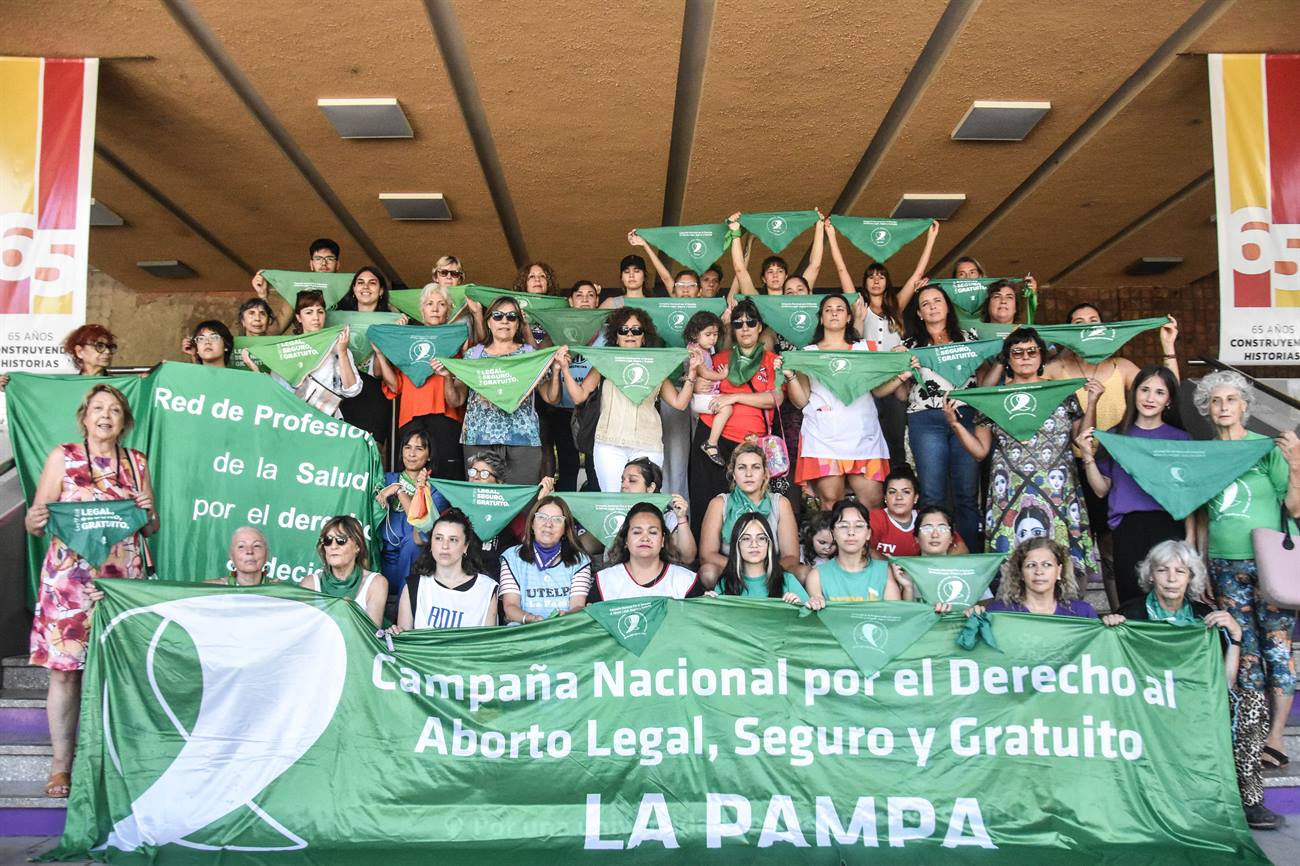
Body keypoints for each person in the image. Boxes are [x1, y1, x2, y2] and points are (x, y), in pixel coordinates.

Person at [25, 384, 157, 798]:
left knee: (119, 671)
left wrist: (148, 510)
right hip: (69, 583)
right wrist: (35, 516)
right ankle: (62, 767)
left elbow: (151, 527)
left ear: (125, 421)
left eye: (115, 410)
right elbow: (36, 521)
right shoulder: (62, 457)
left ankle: (114, 761)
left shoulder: (136, 462)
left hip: (121, 583)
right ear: (84, 416)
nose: (106, 415)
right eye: (98, 408)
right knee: (65, 674)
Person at [1100, 541, 1271, 829]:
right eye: (1163, 570)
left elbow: (1225, 683)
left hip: (1195, 704)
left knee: (1251, 702)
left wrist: (1236, 637)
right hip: (1144, 705)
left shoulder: (1204, 616)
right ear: (1151, 575)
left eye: (1180, 571)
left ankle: (1249, 799)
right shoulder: (1131, 614)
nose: (1171, 578)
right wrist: (1110, 629)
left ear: (1191, 577)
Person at [1195, 370, 1300, 771]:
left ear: (1245, 407)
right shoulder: (1206, 454)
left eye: (1231, 400)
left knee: (1276, 649)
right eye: (1216, 401)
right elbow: (1203, 514)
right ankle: (1252, 736)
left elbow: (1293, 507)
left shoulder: (1264, 448)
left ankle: (1276, 737)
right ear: (1207, 409)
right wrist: (1201, 561)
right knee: (1246, 652)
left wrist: (1295, 464)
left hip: (1269, 561)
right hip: (1223, 564)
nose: (1223, 407)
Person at [947, 327, 1103, 584]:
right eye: (1017, 352)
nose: (1025, 357)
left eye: (1032, 351)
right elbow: (980, 452)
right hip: (1009, 491)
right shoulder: (994, 398)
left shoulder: (1061, 392)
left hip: (1057, 488)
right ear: (1007, 359)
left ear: (1042, 357)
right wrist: (955, 424)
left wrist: (1093, 402)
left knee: (1062, 566)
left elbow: (1083, 441)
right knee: (1013, 569)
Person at [1075, 365, 1192, 605]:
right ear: (1134, 393)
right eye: (1144, 390)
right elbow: (1100, 489)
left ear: (1169, 400)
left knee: (1170, 601)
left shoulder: (1181, 440)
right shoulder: (1116, 436)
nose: (1150, 398)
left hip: (1168, 526)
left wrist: (1191, 537)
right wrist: (1087, 455)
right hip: (1127, 527)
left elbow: (1189, 495)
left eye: (1159, 392)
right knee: (1131, 600)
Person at [829, 218, 938, 472]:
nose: (876, 281)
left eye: (881, 277)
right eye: (871, 277)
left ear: (887, 281)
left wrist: (930, 238)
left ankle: (898, 485)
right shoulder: (858, 305)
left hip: (893, 382)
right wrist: (832, 235)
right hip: (866, 382)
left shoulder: (896, 307)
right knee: (867, 440)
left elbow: (915, 277)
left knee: (896, 441)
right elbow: (842, 270)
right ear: (864, 282)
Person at [558, 308, 698, 492]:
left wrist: (693, 371)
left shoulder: (655, 365)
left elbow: (679, 403)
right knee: (613, 502)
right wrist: (565, 370)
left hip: (648, 443)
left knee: (646, 504)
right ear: (615, 337)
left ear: (644, 337)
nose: (629, 334)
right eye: (623, 330)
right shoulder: (604, 363)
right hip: (609, 444)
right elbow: (579, 396)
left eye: (636, 330)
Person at [783, 294, 896, 510]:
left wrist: (902, 376)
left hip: (864, 437)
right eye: (828, 309)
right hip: (823, 437)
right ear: (821, 318)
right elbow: (800, 401)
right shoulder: (807, 354)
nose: (834, 312)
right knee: (830, 503)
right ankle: (832, 545)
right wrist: (790, 376)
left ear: (849, 317)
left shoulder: (866, 349)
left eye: (840, 308)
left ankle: (869, 545)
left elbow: (879, 390)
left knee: (872, 503)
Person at [688, 299, 784, 531]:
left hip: (750, 444)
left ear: (760, 327)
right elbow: (697, 395)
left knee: (751, 508)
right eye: (738, 324)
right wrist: (697, 386)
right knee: (706, 503)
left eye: (751, 322)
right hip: (712, 441)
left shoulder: (773, 361)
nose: (745, 328)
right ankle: (706, 560)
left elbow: (776, 398)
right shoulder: (719, 359)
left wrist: (734, 397)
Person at [901, 285, 981, 547]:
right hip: (925, 419)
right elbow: (901, 393)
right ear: (920, 314)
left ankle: (969, 561)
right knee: (932, 494)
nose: (933, 306)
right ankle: (932, 562)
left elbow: (985, 380)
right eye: (926, 303)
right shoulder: (909, 346)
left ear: (947, 306)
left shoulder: (971, 338)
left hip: (966, 415)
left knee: (967, 494)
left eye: (937, 300)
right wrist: (902, 371)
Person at [453, 296, 562, 484]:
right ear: (488, 321)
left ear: (519, 323)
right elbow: (456, 400)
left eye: (512, 317)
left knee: (521, 503)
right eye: (498, 316)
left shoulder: (530, 354)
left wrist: (558, 369)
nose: (504, 321)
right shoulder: (473, 355)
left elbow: (551, 397)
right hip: (479, 439)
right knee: (483, 501)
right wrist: (447, 378)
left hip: (523, 441)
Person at [373, 283, 468, 480]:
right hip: (411, 416)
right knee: (412, 479)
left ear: (449, 310)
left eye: (441, 304)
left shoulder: (458, 340)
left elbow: (461, 391)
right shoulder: (408, 340)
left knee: (447, 476)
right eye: (429, 303)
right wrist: (382, 353)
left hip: (446, 416)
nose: (434, 308)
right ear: (421, 309)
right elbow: (395, 386)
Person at [698, 444, 802, 588]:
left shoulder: (780, 503)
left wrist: (764, 571)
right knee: (708, 572)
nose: (748, 474)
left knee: (803, 573)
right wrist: (744, 569)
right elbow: (707, 555)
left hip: (772, 572)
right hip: (732, 571)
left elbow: (791, 557)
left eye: (756, 467)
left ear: (765, 473)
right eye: (742, 467)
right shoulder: (719, 503)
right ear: (733, 474)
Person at [245, 289, 360, 418]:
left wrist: (343, 352)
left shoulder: (337, 347)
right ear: (299, 317)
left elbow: (352, 390)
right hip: (293, 418)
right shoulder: (287, 349)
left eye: (320, 312)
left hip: (328, 420)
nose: (316, 317)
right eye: (309, 312)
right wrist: (255, 370)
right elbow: (276, 391)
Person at [392, 508, 497, 631]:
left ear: (466, 546)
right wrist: (397, 633)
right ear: (431, 543)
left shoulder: (486, 588)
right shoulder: (414, 586)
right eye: (438, 538)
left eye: (453, 540)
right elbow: (405, 643)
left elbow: (488, 646)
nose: (444, 546)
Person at [499, 496, 591, 624]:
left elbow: (578, 606)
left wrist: (566, 616)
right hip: (523, 631)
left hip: (563, 629)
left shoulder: (580, 560)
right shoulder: (512, 557)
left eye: (557, 520)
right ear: (531, 523)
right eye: (542, 517)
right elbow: (510, 606)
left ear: (566, 528)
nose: (548, 524)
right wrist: (530, 619)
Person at [548, 280, 602, 491]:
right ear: (570, 301)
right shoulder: (557, 329)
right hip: (561, 406)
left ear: (597, 301)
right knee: (567, 464)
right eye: (579, 295)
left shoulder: (607, 331)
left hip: (593, 408)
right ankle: (566, 517)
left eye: (590, 295)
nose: (585, 299)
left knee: (594, 465)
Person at [805, 499, 908, 608]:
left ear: (868, 533)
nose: (851, 532)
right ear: (833, 533)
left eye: (858, 526)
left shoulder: (884, 572)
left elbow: (894, 616)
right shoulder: (817, 576)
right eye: (843, 526)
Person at [591, 503, 702, 600]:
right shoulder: (604, 581)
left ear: (662, 540)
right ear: (625, 540)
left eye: (653, 532)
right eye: (637, 532)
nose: (645, 538)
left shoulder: (686, 581)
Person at [376, 427, 433, 598]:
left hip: (411, 561)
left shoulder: (434, 489)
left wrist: (399, 492)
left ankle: (404, 610)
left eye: (419, 448)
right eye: (407, 447)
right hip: (381, 557)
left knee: (413, 543)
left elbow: (421, 526)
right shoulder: (386, 479)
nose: (412, 454)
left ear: (429, 455)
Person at [303, 516, 387, 627]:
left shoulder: (376, 583)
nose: (333, 546)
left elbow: (372, 635)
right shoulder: (310, 583)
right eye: (328, 540)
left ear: (357, 547)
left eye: (341, 540)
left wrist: (352, 611)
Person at [981, 538, 1097, 617]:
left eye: (1047, 565)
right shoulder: (999, 613)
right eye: (1031, 565)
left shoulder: (1082, 613)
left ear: (1059, 571)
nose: (1039, 571)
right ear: (1020, 573)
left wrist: (1112, 626)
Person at [727, 211, 825, 297]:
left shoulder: (796, 297)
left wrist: (819, 227)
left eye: (780, 271)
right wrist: (735, 232)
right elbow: (740, 270)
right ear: (763, 279)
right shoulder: (757, 300)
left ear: (786, 276)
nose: (775, 275)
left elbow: (815, 266)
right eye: (770, 271)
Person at [250, 237, 342, 329]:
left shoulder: (350, 289)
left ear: (337, 264)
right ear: (311, 264)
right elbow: (276, 329)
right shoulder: (298, 289)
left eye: (330, 258)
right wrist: (263, 296)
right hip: (307, 342)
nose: (323, 263)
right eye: (318, 258)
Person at [716, 513, 808, 603]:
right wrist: (708, 602)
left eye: (761, 538)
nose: (754, 544)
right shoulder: (725, 583)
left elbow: (810, 616)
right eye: (746, 539)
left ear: (769, 543)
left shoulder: (787, 581)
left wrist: (799, 605)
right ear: (737, 544)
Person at [619, 457, 697, 563]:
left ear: (651, 488)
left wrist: (681, 518)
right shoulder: (611, 511)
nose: (624, 485)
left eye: (632, 480)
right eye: (622, 480)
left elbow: (687, 558)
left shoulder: (667, 515)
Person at [869, 467, 922, 558]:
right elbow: (862, 549)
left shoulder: (925, 519)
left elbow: (954, 547)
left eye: (906, 492)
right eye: (892, 492)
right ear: (885, 497)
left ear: (916, 497)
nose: (899, 497)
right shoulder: (875, 518)